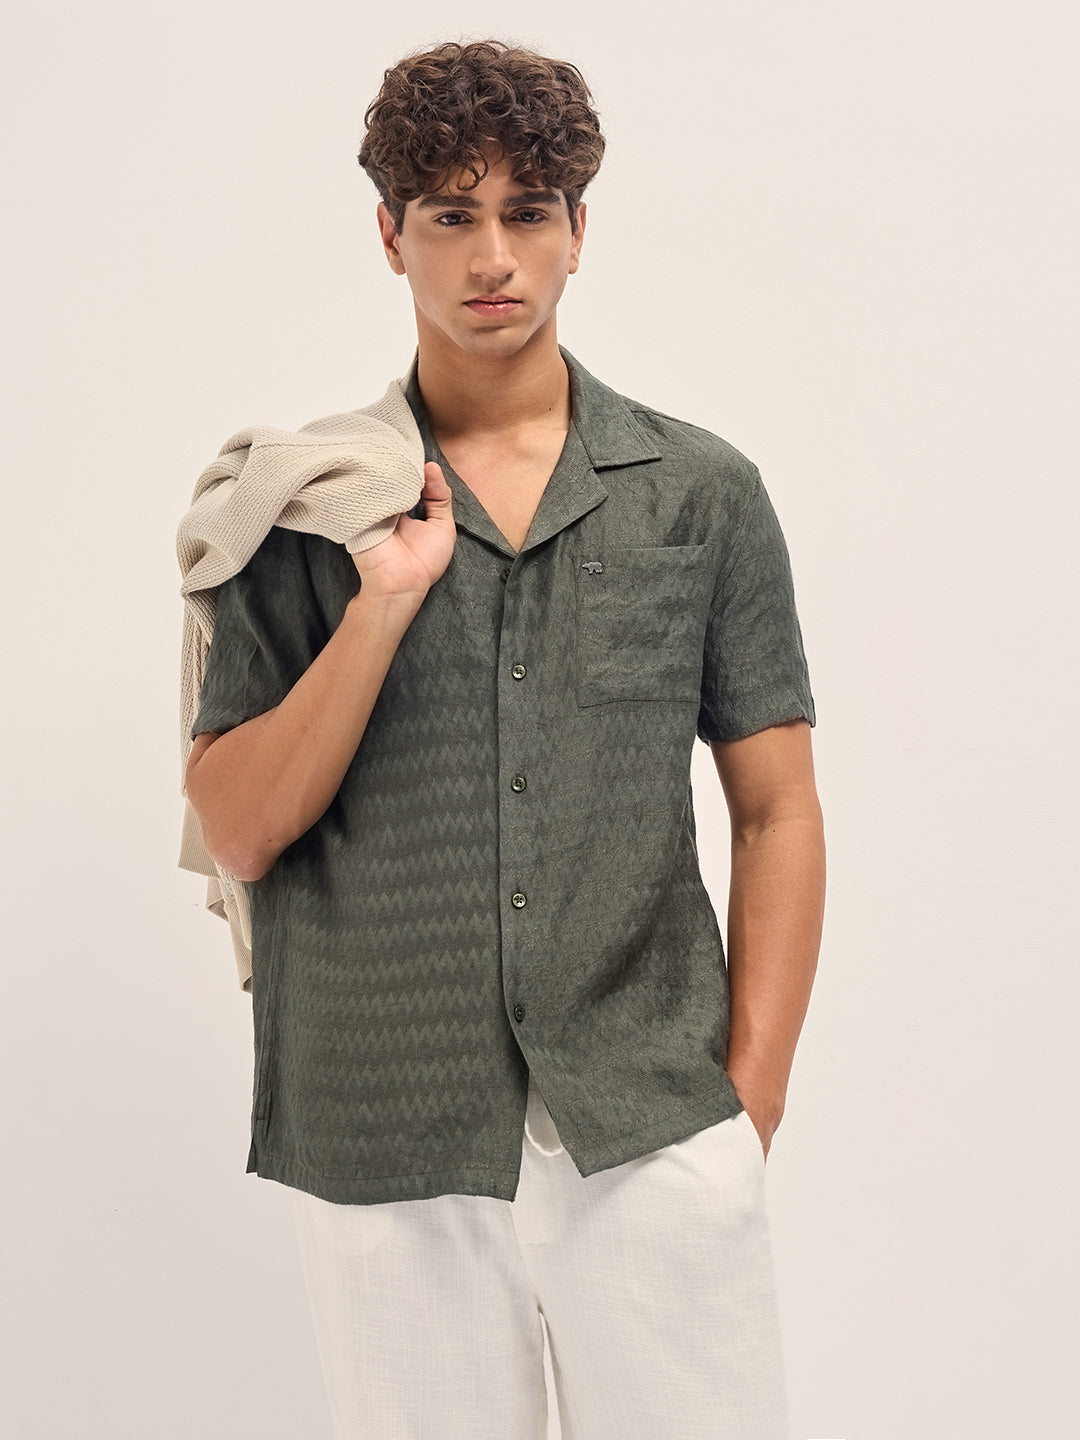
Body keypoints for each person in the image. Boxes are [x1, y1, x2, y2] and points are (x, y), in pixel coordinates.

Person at [182, 37, 826, 1440]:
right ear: (389, 234)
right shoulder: (306, 508)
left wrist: (749, 1104)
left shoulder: (701, 493)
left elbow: (776, 807)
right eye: (450, 215)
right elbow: (238, 828)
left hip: (649, 1113)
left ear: (579, 229)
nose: (493, 258)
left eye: (528, 212)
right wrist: (380, 604)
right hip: (385, 1121)